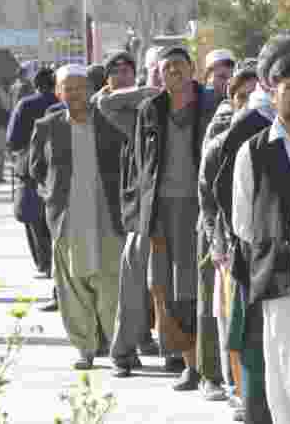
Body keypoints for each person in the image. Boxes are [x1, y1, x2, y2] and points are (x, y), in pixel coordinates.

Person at [232, 53, 290, 424]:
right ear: (273, 93)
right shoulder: (253, 152)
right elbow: (243, 222)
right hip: (282, 282)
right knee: (285, 376)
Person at [132, 45, 221, 391]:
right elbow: (140, 168)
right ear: (159, 73)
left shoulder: (211, 103)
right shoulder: (150, 109)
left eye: (180, 66)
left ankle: (211, 368)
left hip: (203, 208)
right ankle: (188, 363)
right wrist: (144, 218)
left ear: (192, 69)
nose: (174, 73)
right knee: (166, 289)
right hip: (162, 210)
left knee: (202, 287)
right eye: (167, 68)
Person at [29, 65, 126, 370]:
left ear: (89, 89)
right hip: (67, 218)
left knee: (112, 286)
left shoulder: (110, 122)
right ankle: (85, 349)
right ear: (58, 92)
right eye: (67, 88)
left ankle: (119, 350)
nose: (74, 94)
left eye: (79, 87)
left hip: (107, 216)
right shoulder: (47, 125)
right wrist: (51, 198)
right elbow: (36, 169)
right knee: (72, 287)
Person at [97, 49, 165, 378]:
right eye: (156, 72)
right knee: (133, 283)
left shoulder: (187, 110)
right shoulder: (137, 114)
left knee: (169, 286)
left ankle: (173, 349)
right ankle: (123, 350)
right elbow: (105, 103)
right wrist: (149, 90)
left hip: (177, 211)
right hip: (138, 211)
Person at [199, 64, 261, 420]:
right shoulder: (220, 140)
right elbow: (207, 198)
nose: (249, 104)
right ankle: (235, 389)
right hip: (228, 245)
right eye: (242, 97)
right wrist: (217, 244)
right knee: (230, 319)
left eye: (255, 96)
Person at [7, 67, 59, 278]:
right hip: (60, 165)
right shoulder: (63, 103)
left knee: (34, 218)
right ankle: (57, 263)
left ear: (35, 84)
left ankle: (44, 263)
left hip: (30, 167)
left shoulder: (25, 104)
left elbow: (13, 139)